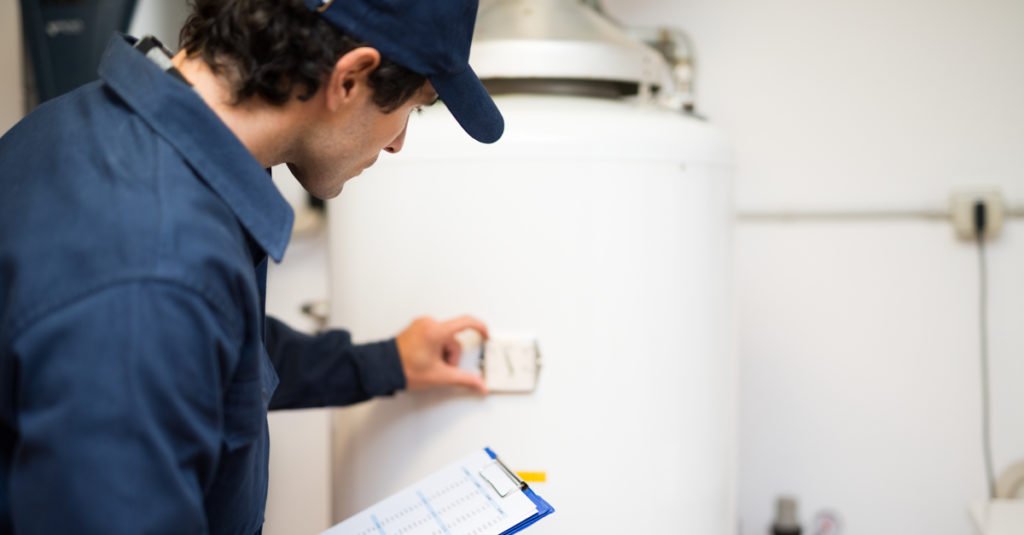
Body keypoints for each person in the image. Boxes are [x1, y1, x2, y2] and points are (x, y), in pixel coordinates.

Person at [0, 0, 504, 532]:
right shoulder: (153, 273)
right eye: (413, 107)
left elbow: (215, 352)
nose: (399, 141)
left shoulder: (82, 130)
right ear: (351, 79)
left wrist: (386, 364)